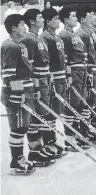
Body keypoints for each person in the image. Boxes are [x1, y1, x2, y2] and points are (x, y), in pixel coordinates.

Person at [20, 9, 57, 166]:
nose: (43, 20)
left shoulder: (39, 39)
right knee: (35, 117)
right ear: (32, 21)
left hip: (44, 81)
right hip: (36, 83)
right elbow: (29, 65)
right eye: (40, 17)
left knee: (42, 115)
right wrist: (34, 88)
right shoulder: (29, 39)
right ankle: (34, 150)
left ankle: (40, 147)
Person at [2, 14, 36, 174]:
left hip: (25, 92)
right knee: (18, 128)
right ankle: (16, 160)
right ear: (13, 28)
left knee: (23, 126)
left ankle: (20, 158)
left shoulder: (21, 46)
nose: (25, 27)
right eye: (22, 24)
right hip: (16, 94)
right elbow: (8, 74)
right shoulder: (9, 46)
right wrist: (17, 93)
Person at [58, 7, 91, 151]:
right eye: (73, 16)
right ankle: (69, 137)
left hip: (82, 70)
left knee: (81, 103)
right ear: (65, 19)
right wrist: (69, 74)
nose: (76, 19)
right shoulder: (64, 35)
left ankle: (77, 133)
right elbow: (64, 58)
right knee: (72, 103)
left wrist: (87, 71)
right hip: (74, 72)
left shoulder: (74, 34)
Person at [40, 8, 68, 157]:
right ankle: (48, 141)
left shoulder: (56, 37)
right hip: (52, 78)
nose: (58, 21)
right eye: (55, 18)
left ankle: (52, 140)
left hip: (61, 77)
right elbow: (46, 61)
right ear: (47, 21)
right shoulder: (45, 38)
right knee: (50, 111)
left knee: (56, 111)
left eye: (58, 18)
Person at [76, 6, 96, 137]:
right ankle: (84, 128)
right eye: (89, 16)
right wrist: (89, 72)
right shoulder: (81, 34)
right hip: (88, 70)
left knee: (93, 98)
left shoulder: (90, 33)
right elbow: (85, 56)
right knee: (88, 99)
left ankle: (89, 124)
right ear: (83, 19)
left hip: (94, 68)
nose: (92, 17)